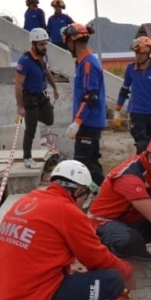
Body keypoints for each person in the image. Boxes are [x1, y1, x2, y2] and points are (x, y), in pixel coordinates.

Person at [0, 160, 133, 300]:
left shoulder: (28, 201)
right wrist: (128, 272)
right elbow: (98, 259)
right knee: (113, 281)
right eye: (84, 197)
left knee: (75, 278)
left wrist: (66, 275)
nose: (83, 204)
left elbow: (37, 253)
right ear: (78, 191)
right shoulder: (68, 211)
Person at [63, 23, 106, 185]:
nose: (66, 46)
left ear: (73, 41)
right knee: (91, 163)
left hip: (89, 123)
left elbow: (90, 96)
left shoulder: (88, 63)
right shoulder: (83, 62)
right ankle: (103, 196)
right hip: (89, 122)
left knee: (84, 165)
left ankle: (108, 194)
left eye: (67, 42)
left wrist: (77, 122)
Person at [114, 36, 151, 154]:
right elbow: (124, 90)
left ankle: (145, 170)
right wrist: (117, 111)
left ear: (148, 52)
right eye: (136, 53)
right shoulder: (130, 68)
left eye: (140, 53)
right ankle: (139, 169)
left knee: (149, 146)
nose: (137, 56)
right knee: (142, 144)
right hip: (136, 112)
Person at [15, 28, 59, 168]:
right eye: (41, 44)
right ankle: (27, 158)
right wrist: (20, 106)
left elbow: (47, 72)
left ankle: (32, 117)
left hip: (41, 95)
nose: (44, 47)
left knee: (49, 119)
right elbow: (18, 85)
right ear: (33, 44)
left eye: (45, 44)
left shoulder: (44, 57)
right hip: (29, 97)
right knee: (31, 130)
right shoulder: (25, 61)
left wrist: (55, 87)